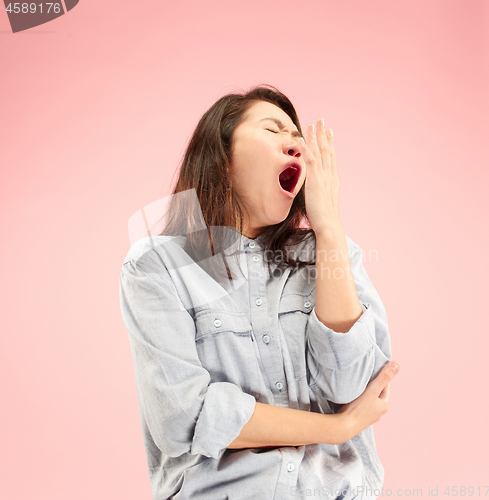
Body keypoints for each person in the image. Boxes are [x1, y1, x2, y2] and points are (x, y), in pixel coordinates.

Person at [119, 84, 400, 500]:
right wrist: (337, 428)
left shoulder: (332, 253)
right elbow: (185, 417)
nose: (296, 144)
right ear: (223, 157)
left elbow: (353, 388)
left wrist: (329, 229)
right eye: (274, 130)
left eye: (297, 138)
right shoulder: (157, 265)